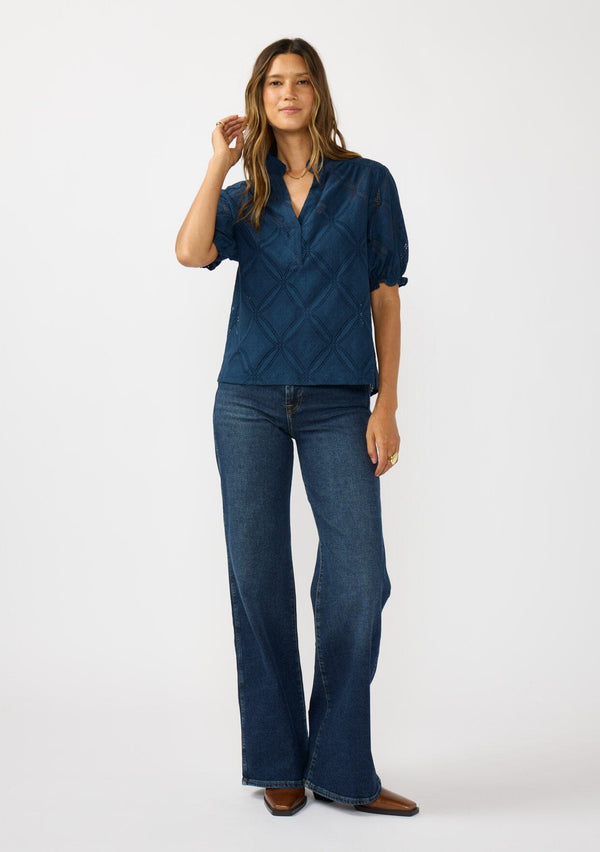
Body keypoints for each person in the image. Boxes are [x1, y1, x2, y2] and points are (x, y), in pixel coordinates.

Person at [175, 37, 418, 818]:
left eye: (301, 81)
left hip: (339, 402)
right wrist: (218, 158)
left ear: (318, 94)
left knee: (359, 580)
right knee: (258, 579)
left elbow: (386, 295)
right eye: (275, 82)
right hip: (245, 398)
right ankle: (278, 759)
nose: (288, 92)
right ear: (260, 95)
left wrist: (386, 405)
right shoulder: (246, 192)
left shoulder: (368, 183)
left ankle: (342, 765)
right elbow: (188, 252)